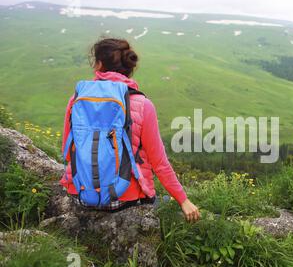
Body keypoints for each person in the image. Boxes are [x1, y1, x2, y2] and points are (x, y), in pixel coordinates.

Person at [60, 38, 200, 222]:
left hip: (82, 195)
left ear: (99, 64)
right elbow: (159, 162)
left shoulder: (77, 99)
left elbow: (68, 150)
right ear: (129, 68)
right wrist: (183, 199)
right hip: (124, 198)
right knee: (165, 202)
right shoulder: (143, 105)